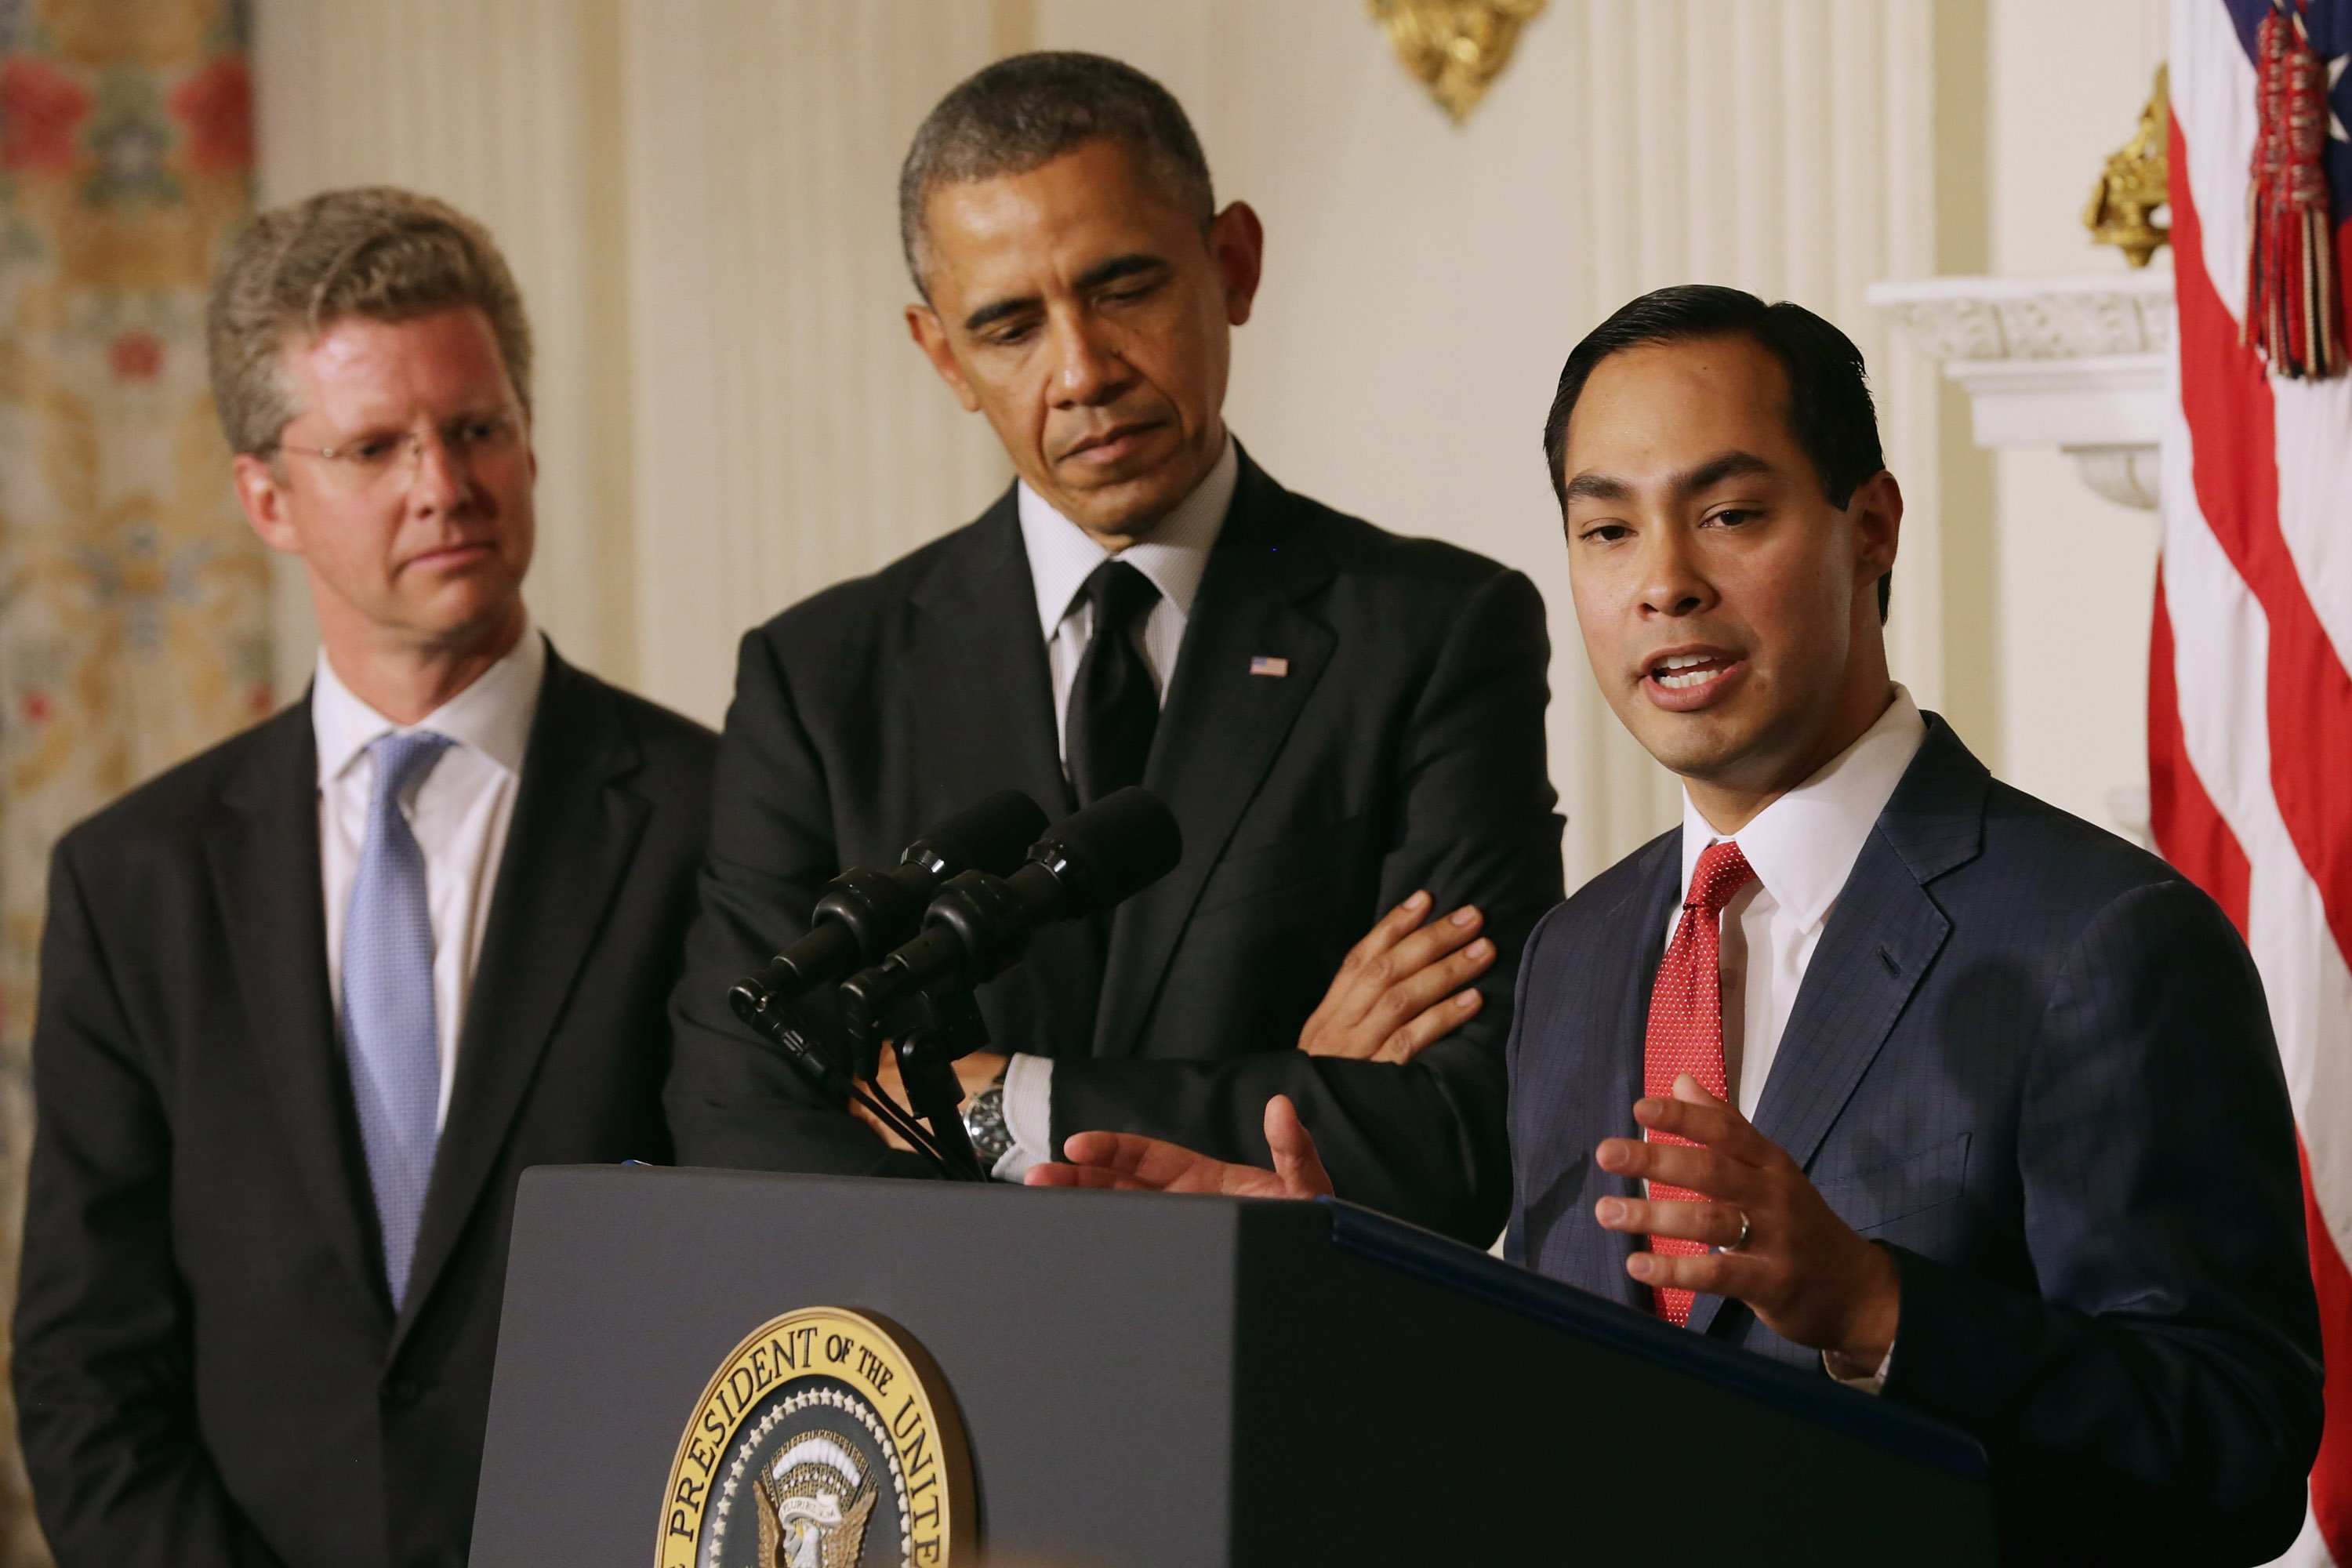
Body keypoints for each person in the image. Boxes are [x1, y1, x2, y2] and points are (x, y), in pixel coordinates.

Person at [1033, 285, 2323, 1563]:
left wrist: (1874, 1308)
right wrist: (1350, 1288)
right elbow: (1576, 1412)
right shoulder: (1582, 950)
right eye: (1606, 531)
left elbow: (2236, 1447)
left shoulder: (2101, 940)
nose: (1665, 582)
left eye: (1730, 514)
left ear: (1869, 526)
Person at [664, 52, 1563, 1243]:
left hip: (1287, 1388)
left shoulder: (1437, 633)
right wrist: (1291, 1079)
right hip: (935, 1394)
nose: (1083, 371)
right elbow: (741, 1126)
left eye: (1124, 287)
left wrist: (1006, 1104)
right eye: (1009, 327)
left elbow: (1457, 1133)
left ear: (1232, 264)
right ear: (944, 357)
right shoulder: (819, 679)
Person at [11, 188, 716, 1568]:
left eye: (475, 429)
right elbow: (88, 1370)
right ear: (267, 496)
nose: (443, 486)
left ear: (526, 440)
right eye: (377, 446)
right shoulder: (132, 883)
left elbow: (763, 1280)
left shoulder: (714, 817)